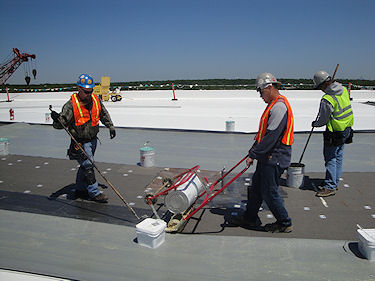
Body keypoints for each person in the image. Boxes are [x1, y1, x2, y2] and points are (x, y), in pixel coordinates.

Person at [231, 72, 294, 233]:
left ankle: (284, 222)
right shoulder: (272, 105)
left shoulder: (279, 106)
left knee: (269, 191)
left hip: (275, 157)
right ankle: (250, 218)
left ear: (269, 87)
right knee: (257, 188)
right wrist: (254, 149)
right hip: (267, 155)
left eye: (261, 91)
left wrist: (254, 154)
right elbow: (264, 134)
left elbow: (271, 137)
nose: (260, 95)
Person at [51, 74, 116, 203]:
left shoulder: (95, 100)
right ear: (79, 89)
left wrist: (110, 126)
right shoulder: (70, 106)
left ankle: (80, 190)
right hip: (79, 142)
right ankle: (94, 193)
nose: (89, 94)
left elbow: (103, 113)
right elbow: (60, 125)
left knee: (85, 166)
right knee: (88, 166)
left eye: (91, 91)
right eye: (86, 92)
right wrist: (57, 120)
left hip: (93, 140)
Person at [312, 70, 354, 197]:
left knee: (330, 158)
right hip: (347, 128)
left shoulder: (328, 99)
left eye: (320, 87)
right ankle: (334, 182)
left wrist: (315, 124)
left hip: (334, 132)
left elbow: (323, 119)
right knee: (338, 156)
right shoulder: (344, 90)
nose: (321, 90)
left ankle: (330, 186)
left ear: (324, 85)